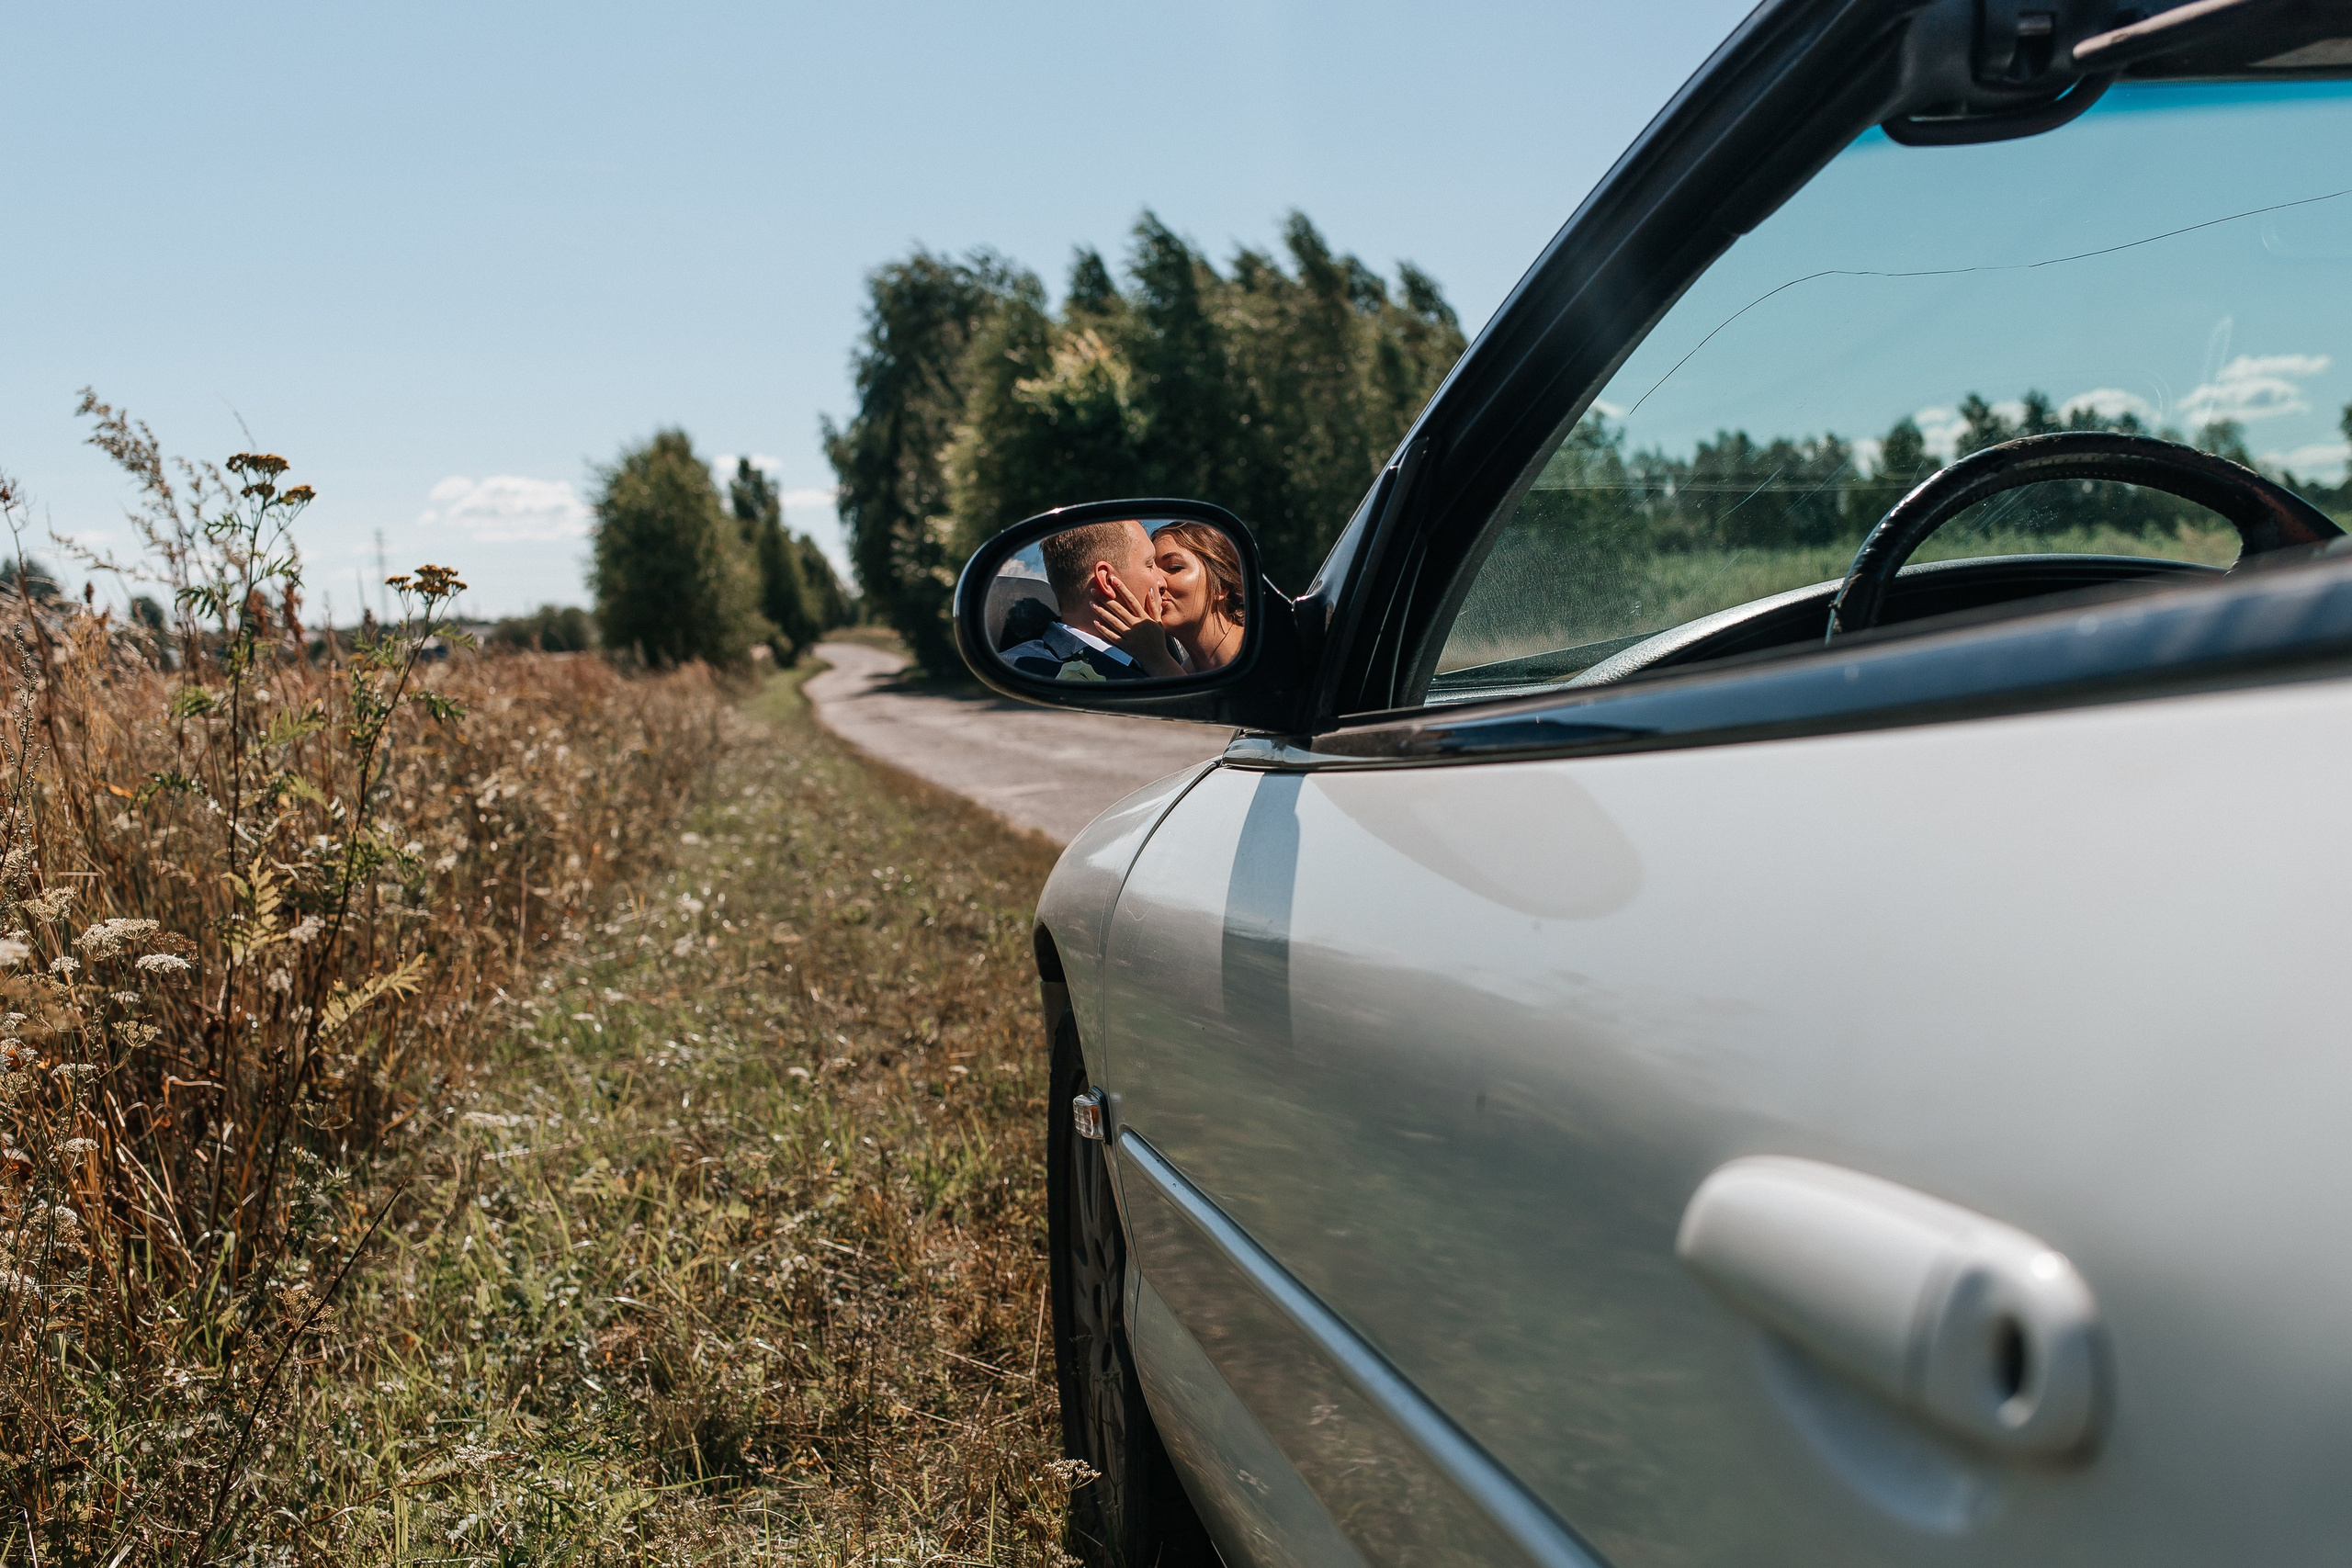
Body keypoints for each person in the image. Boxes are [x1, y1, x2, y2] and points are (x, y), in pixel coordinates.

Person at [998, 518, 1183, 681]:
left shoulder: (1159, 648)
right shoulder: (1018, 671)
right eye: (1150, 565)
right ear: (1107, 581)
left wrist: (1159, 660)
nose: (1162, 582)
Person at [1152, 521, 1248, 671]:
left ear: (1222, 586)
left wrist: (1155, 658)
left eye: (1174, 567)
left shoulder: (1267, 649)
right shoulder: (1183, 673)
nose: (1156, 583)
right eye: (1150, 570)